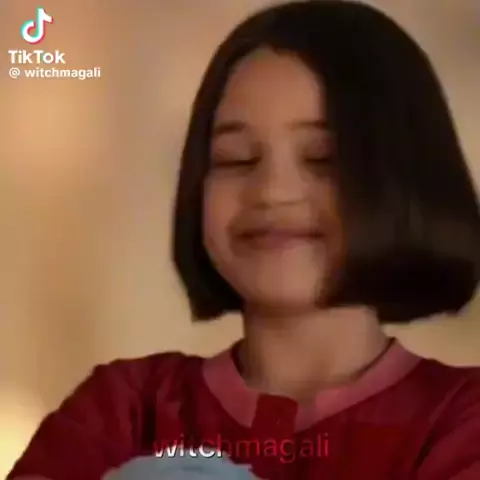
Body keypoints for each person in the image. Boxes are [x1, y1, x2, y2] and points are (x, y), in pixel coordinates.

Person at [8, 1, 480, 479]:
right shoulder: (125, 408)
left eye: (322, 157)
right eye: (235, 159)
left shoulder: (462, 419)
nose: (271, 191)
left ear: (407, 180)